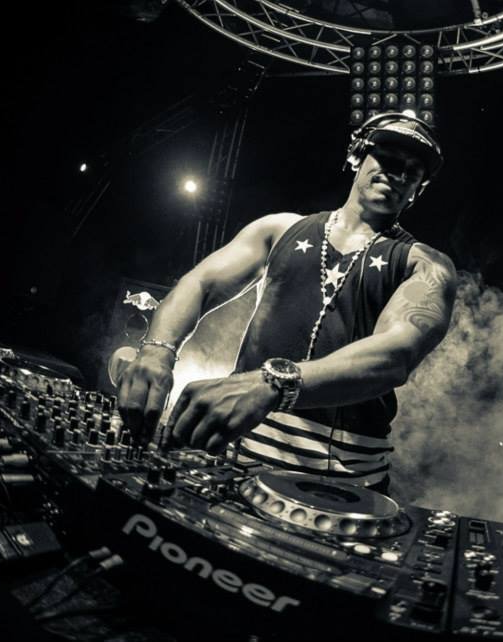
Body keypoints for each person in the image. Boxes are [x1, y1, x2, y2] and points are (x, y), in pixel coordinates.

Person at [116, 112, 457, 494]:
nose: (398, 174)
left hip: (344, 483)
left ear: (417, 190)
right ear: (357, 156)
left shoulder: (425, 264)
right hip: (233, 455)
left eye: (412, 172)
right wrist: (157, 351)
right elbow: (200, 283)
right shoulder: (279, 229)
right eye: (388, 158)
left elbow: (396, 355)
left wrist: (275, 384)